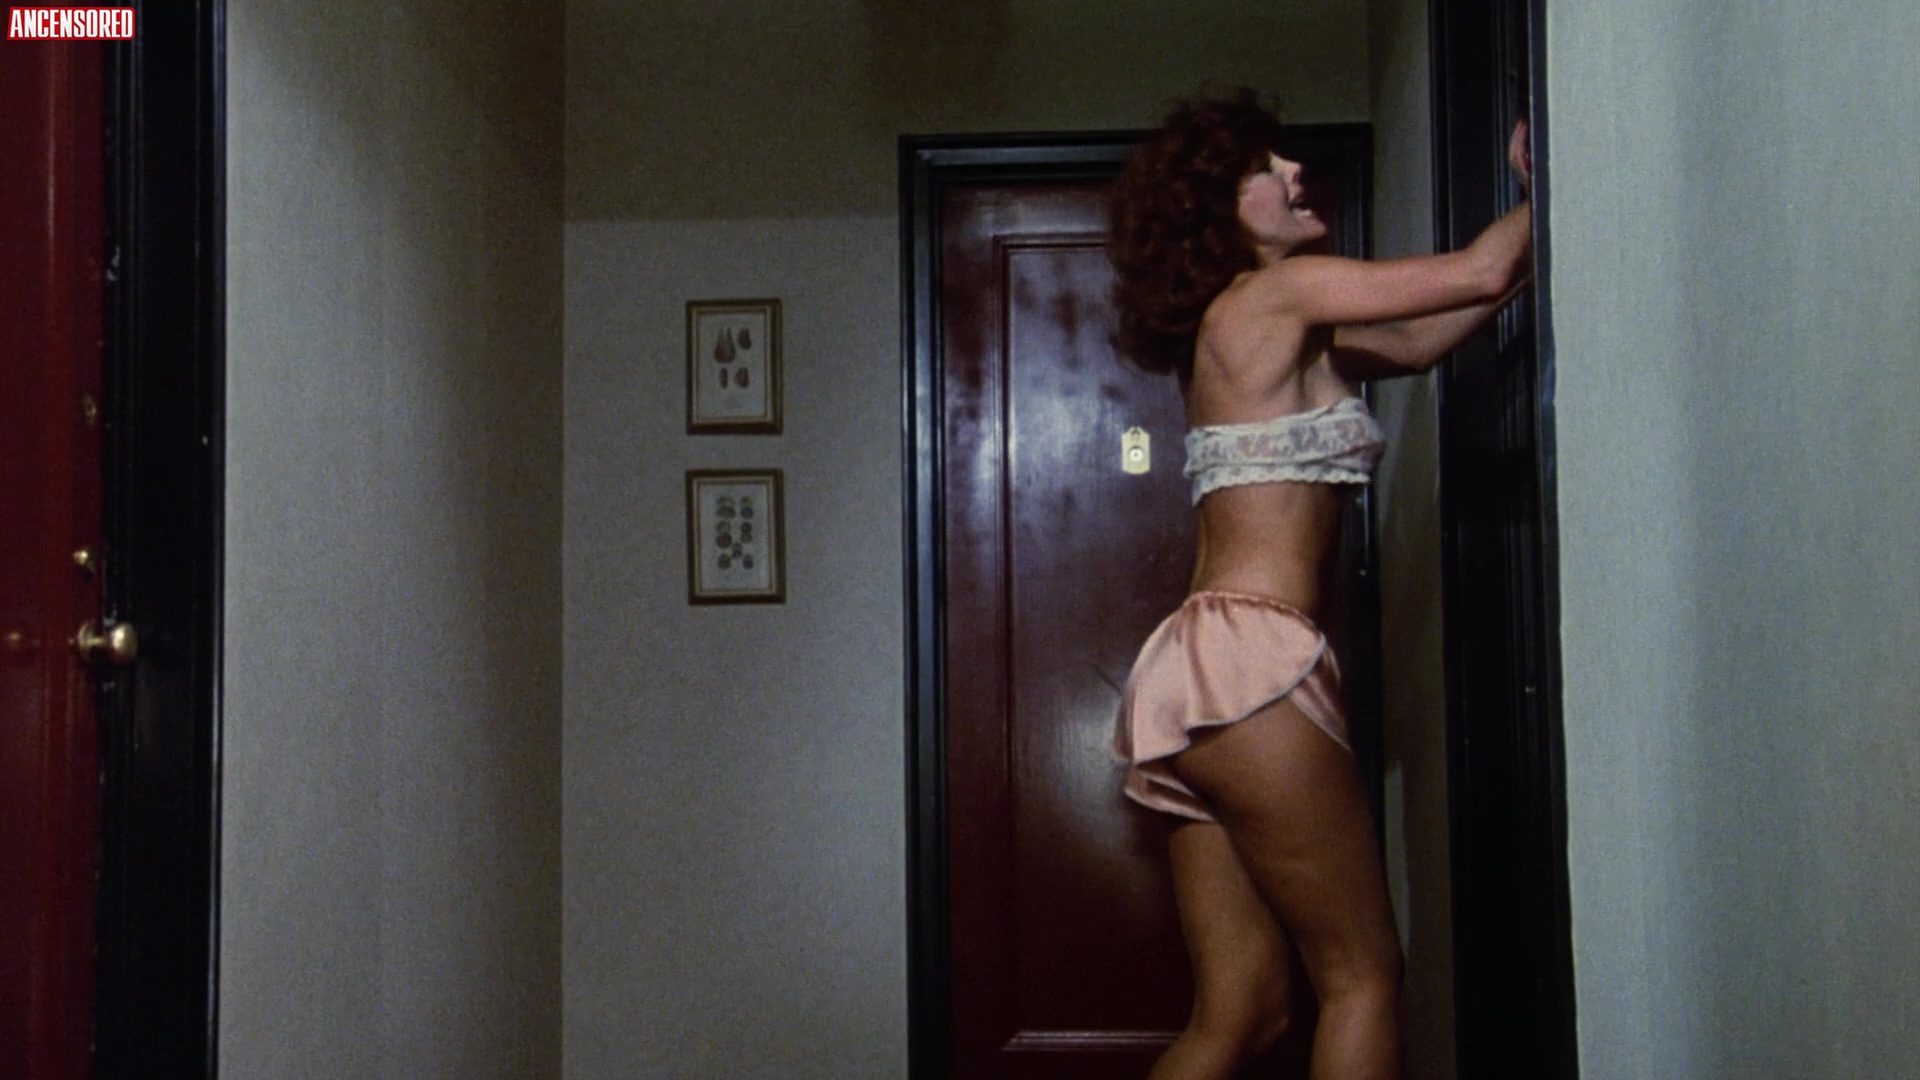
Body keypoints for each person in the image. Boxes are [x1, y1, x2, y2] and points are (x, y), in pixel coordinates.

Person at [1106, 88, 1532, 1080]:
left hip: (1194, 670)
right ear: (1219, 209)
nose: (1296, 173)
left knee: (1241, 1012)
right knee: (1362, 978)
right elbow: (1478, 268)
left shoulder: (1246, 329)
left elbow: (1422, 339)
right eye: (1265, 167)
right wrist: (1547, 181)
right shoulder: (1278, 296)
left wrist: (1530, 247)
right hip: (1254, 663)